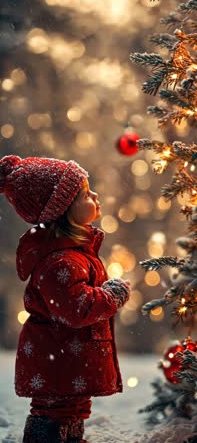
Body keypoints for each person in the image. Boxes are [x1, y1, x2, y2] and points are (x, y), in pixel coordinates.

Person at [0, 155, 131, 443]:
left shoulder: (73, 252)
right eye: (85, 193)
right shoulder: (60, 261)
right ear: (63, 210)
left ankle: (70, 437)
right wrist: (111, 296)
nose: (94, 195)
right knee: (56, 410)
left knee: (74, 409)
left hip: (68, 361)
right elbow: (76, 308)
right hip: (59, 360)